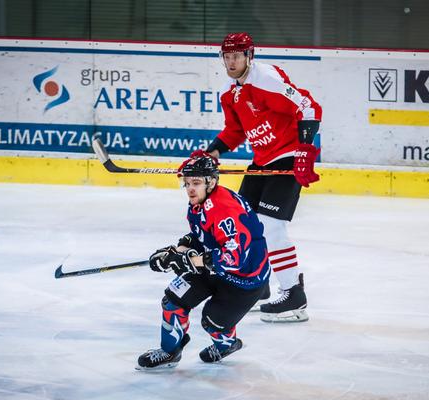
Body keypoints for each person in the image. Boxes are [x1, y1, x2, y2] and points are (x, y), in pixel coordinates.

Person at [197, 32, 322, 323]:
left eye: (237, 56)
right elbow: (235, 131)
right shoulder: (231, 92)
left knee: (272, 227)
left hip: (288, 156)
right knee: (246, 223)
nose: (231, 61)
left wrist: (305, 150)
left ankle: (293, 295)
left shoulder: (265, 79)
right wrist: (213, 152)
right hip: (262, 161)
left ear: (249, 55)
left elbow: (308, 106)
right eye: (227, 56)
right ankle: (258, 287)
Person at [136, 152, 270, 370]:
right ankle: (170, 352)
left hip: (244, 279)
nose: (190, 188)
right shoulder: (200, 202)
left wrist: (189, 261)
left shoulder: (225, 210)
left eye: (196, 182)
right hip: (214, 267)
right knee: (173, 300)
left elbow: (234, 258)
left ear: (212, 182)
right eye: (187, 182)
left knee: (212, 322)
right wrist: (174, 253)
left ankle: (227, 344)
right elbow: (200, 236)